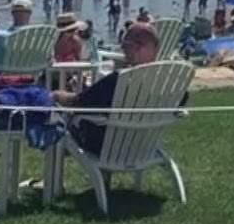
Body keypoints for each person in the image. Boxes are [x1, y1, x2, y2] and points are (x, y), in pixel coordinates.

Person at [57, 22, 184, 156]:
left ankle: (53, 176)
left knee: (57, 126)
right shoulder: (170, 85)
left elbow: (80, 103)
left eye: (125, 45)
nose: (122, 49)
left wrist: (58, 96)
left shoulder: (118, 81)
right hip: (145, 147)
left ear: (137, 48)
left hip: (109, 148)